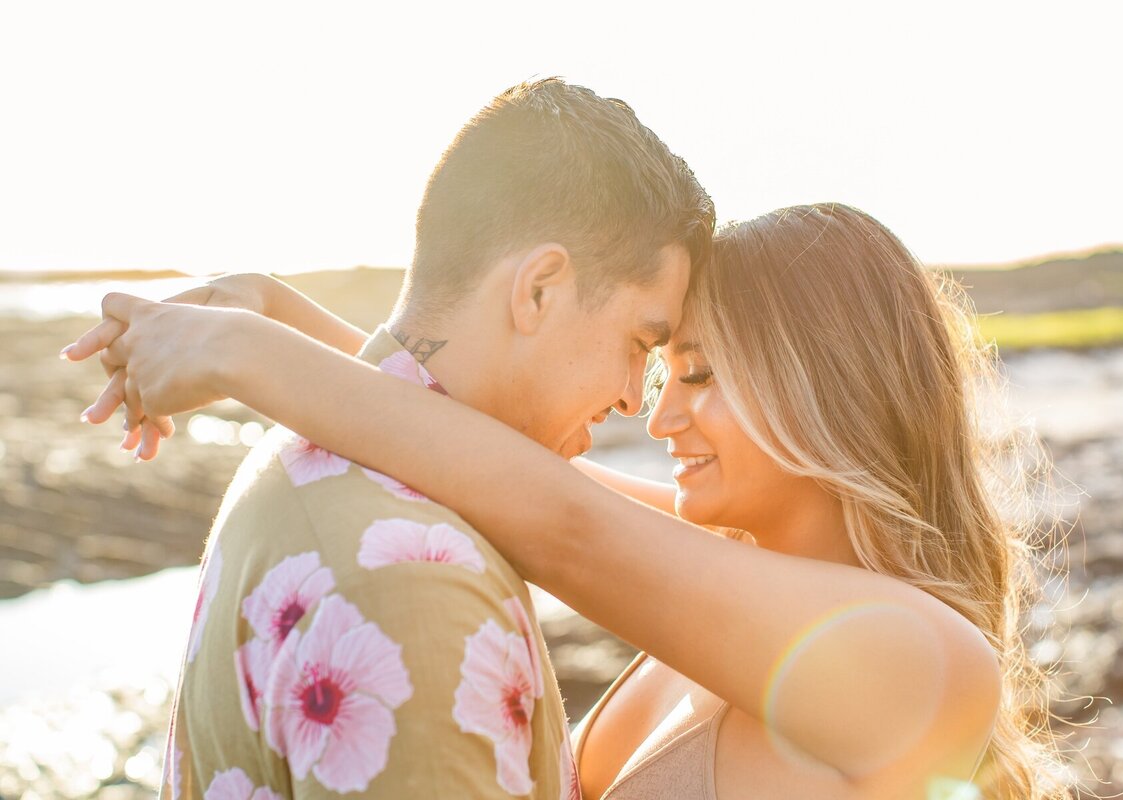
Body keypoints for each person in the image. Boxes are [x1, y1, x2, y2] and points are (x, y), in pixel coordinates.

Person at [68, 204, 1072, 799]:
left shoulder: (920, 660)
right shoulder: (729, 572)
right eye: (660, 367)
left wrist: (244, 356)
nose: (661, 411)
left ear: (829, 383)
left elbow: (559, 518)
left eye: (702, 371)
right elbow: (497, 465)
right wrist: (271, 305)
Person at [64, 77, 715, 799]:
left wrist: (265, 320)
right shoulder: (419, 591)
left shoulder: (309, 451)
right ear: (538, 290)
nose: (634, 394)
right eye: (639, 341)